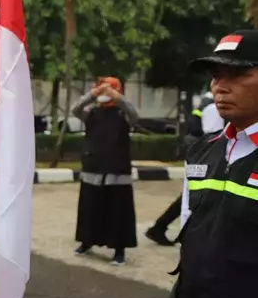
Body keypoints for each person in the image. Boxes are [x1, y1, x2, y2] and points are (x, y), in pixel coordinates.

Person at [162, 30, 258, 298]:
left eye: (238, 73)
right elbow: (191, 233)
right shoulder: (202, 150)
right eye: (216, 75)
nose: (221, 85)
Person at [72, 77, 139, 266]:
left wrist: (118, 98)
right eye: (101, 88)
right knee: (89, 208)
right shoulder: (91, 112)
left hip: (117, 170)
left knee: (118, 211)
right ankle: (86, 242)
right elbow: (75, 109)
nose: (104, 92)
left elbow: (135, 115)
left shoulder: (122, 113)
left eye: (109, 89)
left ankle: (119, 251)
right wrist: (91, 95)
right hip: (93, 167)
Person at [146, 90, 218, 246]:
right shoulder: (216, 103)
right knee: (196, 195)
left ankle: (160, 227)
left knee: (191, 194)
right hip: (203, 152)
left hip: (198, 150)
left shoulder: (209, 98)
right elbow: (214, 135)